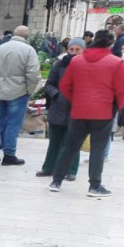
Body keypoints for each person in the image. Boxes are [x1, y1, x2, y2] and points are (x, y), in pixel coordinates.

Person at [49, 29, 124, 198]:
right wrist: (117, 106)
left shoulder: (77, 61)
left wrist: (76, 100)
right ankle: (94, 185)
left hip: (79, 110)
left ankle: (56, 181)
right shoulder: (116, 62)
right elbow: (122, 89)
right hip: (103, 111)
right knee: (98, 149)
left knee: (69, 147)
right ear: (111, 43)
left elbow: (65, 86)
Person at [0, 25, 40, 165]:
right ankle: (9, 155)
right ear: (27, 36)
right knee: (13, 124)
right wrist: (30, 90)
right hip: (18, 91)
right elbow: (33, 74)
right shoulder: (29, 50)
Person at [36, 38, 83, 181]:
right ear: (67, 50)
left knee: (72, 142)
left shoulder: (85, 66)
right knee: (54, 141)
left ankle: (71, 170)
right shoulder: (59, 65)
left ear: (83, 50)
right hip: (58, 107)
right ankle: (48, 168)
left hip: (76, 109)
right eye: (71, 49)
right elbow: (49, 84)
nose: (74, 52)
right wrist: (56, 95)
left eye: (77, 49)